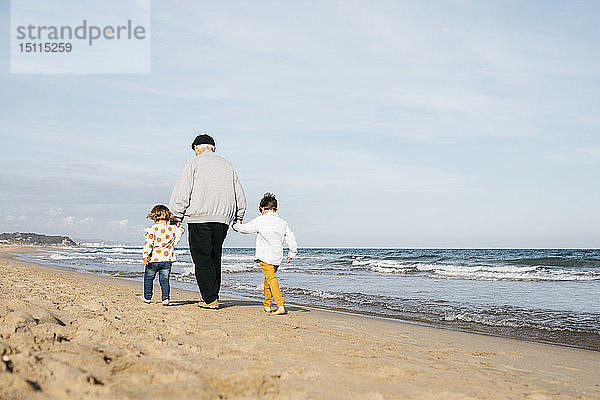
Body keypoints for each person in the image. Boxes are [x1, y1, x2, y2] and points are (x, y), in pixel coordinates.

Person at [169, 134, 246, 309]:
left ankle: (210, 299)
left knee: (202, 258)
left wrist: (175, 217)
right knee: (214, 257)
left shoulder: (192, 163)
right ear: (213, 148)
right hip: (222, 219)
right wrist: (239, 216)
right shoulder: (228, 165)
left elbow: (182, 191)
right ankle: (212, 295)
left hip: (199, 217)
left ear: (197, 148)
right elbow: (239, 193)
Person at [233, 192, 297, 315]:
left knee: (271, 279)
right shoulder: (282, 222)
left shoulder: (260, 220)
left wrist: (235, 226)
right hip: (277, 257)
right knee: (268, 279)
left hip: (265, 256)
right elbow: (291, 237)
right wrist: (292, 252)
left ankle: (280, 304)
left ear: (262, 209)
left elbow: (245, 229)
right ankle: (267, 304)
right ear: (276, 209)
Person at [142, 205, 185, 305]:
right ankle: (165, 298)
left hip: (153, 259)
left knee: (148, 278)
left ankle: (147, 297)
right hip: (167, 260)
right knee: (165, 280)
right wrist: (178, 225)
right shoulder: (172, 229)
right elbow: (181, 230)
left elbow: (148, 243)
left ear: (154, 217)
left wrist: (145, 255)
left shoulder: (152, 229)